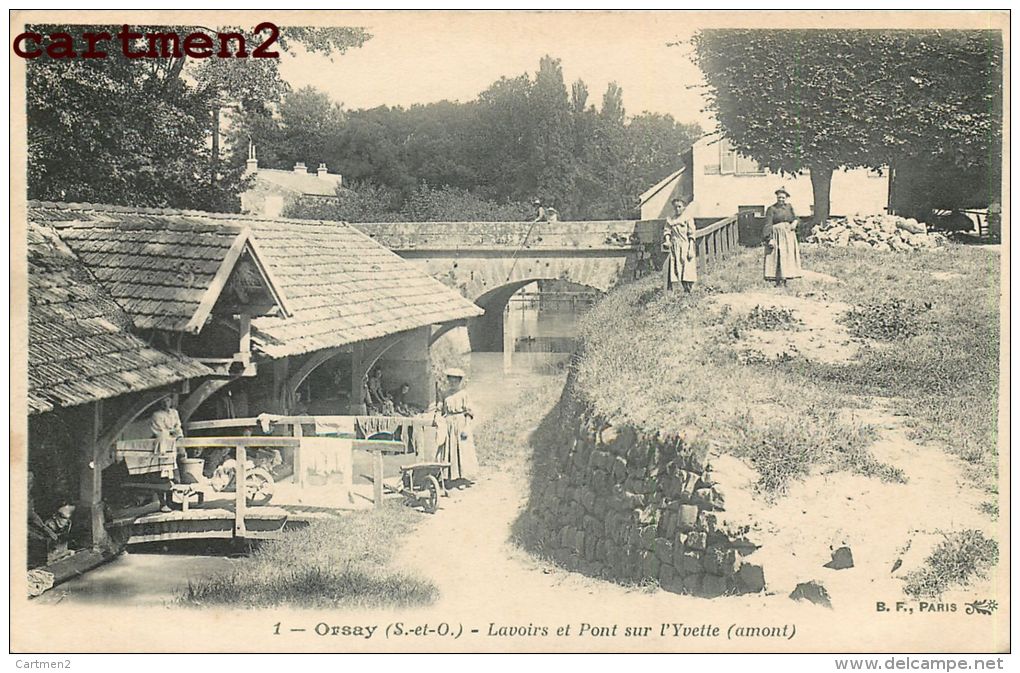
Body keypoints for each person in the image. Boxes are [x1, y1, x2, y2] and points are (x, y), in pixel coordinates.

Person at [434, 368, 479, 487]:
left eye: (456, 381)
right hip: (448, 424)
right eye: (451, 380)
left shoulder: (464, 394)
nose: (453, 383)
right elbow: (440, 409)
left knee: (462, 449)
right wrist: (438, 418)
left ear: (459, 381)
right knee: (448, 449)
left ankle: (462, 478)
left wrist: (466, 427)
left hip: (460, 424)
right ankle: (448, 477)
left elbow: (469, 412)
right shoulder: (444, 394)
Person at [762, 186, 803, 286]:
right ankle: (777, 279)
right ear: (776, 197)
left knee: (787, 254)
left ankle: (787, 276)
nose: (781, 199)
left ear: (786, 198)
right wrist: (769, 238)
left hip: (788, 234)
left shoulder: (789, 207)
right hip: (777, 235)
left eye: (783, 198)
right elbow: (768, 224)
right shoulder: (771, 209)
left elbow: (796, 217)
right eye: (779, 197)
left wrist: (795, 222)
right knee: (778, 254)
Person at [150, 395, 185, 511]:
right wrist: (172, 432)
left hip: (173, 444)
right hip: (162, 446)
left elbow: (178, 427)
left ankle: (171, 501)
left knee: (173, 474)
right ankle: (162, 503)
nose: (166, 403)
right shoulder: (157, 415)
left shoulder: (174, 413)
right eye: (163, 401)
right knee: (162, 474)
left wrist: (178, 435)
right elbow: (161, 431)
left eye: (168, 400)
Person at [663, 196, 698, 294]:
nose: (677, 209)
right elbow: (667, 231)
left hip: (685, 245)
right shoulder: (671, 219)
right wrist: (667, 240)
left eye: (679, 207)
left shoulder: (688, 219)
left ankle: (691, 290)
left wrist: (691, 249)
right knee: (678, 269)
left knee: (688, 268)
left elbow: (691, 234)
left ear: (684, 207)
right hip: (675, 246)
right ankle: (684, 290)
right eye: (675, 207)